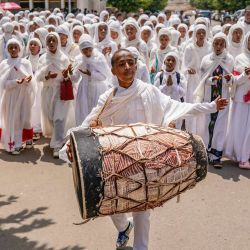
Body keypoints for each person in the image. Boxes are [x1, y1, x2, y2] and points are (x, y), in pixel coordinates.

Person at [60, 49, 228, 250]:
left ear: (137, 65)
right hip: (116, 160)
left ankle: (142, 247)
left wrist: (210, 106)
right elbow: (88, 123)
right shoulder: (108, 97)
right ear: (113, 70)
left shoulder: (149, 91)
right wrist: (69, 145)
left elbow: (178, 107)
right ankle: (124, 227)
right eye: (122, 64)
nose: (128, 68)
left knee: (143, 208)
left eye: (131, 62)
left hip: (147, 159)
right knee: (112, 201)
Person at [194, 33, 234, 168]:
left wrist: (229, 80)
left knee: (220, 126)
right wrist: (212, 80)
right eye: (216, 43)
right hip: (209, 98)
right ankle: (205, 153)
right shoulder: (206, 59)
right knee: (207, 124)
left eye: (221, 44)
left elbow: (232, 79)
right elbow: (202, 79)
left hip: (223, 98)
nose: (218, 46)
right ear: (212, 44)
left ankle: (216, 156)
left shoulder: (229, 59)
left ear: (225, 45)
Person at [36, 32, 75, 158]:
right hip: (47, 92)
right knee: (51, 117)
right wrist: (47, 76)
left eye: (54, 40)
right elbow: (38, 76)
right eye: (49, 41)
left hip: (60, 91)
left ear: (58, 42)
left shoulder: (64, 58)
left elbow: (69, 77)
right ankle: (59, 137)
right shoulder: (43, 58)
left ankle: (57, 145)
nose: (51, 43)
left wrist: (65, 75)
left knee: (59, 118)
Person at [0, 38, 35, 154]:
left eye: (16, 47)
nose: (14, 50)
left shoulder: (26, 63)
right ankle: (16, 144)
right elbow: (3, 84)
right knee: (14, 120)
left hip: (24, 95)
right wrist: (16, 82)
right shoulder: (4, 63)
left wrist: (28, 80)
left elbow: (31, 80)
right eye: (11, 47)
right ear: (7, 49)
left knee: (25, 117)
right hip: (10, 97)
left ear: (20, 48)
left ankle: (27, 138)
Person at [225, 32, 250, 169]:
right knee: (240, 128)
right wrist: (245, 74)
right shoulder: (240, 58)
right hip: (241, 99)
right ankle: (241, 157)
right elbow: (235, 81)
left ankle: (246, 156)